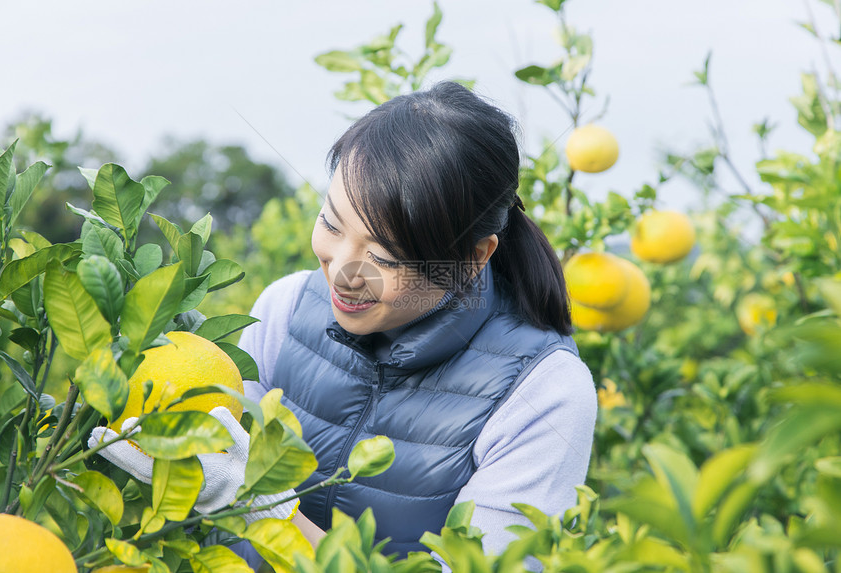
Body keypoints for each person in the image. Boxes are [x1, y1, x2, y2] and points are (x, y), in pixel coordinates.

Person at [92, 80, 597, 569]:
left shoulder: (545, 392)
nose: (343, 271)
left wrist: (265, 506)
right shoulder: (284, 309)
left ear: (471, 259)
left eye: (386, 256)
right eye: (331, 223)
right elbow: (213, 459)